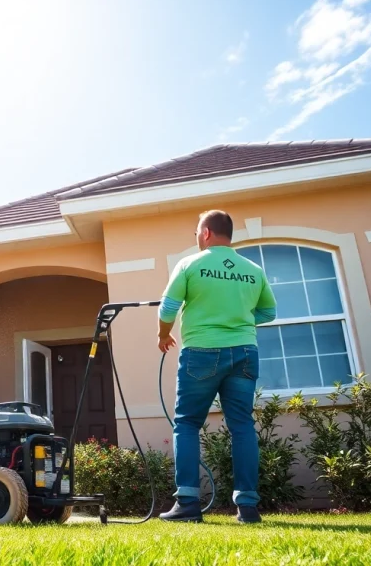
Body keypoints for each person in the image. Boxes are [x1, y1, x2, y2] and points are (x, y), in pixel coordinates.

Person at [155, 210, 276, 524]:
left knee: (187, 424)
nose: (197, 237)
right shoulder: (253, 270)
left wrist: (163, 334)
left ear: (206, 232)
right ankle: (248, 508)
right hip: (245, 352)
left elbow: (168, 308)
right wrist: (239, 321)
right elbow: (269, 313)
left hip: (201, 352)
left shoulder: (190, 264)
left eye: (197, 231)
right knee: (242, 426)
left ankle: (187, 504)